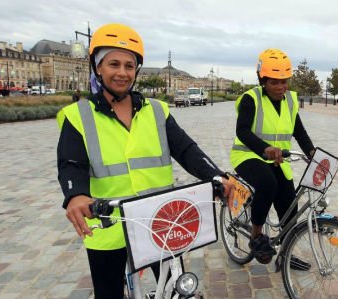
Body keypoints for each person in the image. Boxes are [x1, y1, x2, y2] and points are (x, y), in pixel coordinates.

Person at [56, 23, 232, 299]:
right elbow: (70, 164)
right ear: (98, 67)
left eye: (129, 65)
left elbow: (187, 150)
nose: (122, 72)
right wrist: (75, 195)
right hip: (107, 224)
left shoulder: (156, 111)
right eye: (113, 63)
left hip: (159, 220)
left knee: (176, 290)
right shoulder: (78, 115)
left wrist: (216, 175)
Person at [230, 48, 315, 266]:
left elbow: (300, 132)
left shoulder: (290, 102)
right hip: (248, 156)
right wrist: (265, 148)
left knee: (289, 206)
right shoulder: (251, 99)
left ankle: (286, 255)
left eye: (284, 81)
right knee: (267, 183)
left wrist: (313, 154)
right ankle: (256, 235)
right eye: (274, 82)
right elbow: (243, 131)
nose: (280, 87)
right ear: (263, 80)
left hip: (278, 160)